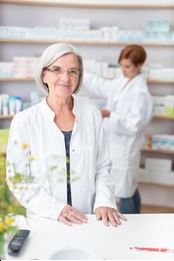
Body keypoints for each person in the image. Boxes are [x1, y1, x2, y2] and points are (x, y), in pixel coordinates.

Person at [6, 43, 126, 227]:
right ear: (44, 74)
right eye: (56, 70)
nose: (65, 78)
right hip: (45, 218)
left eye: (73, 71)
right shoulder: (24, 121)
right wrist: (56, 209)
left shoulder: (92, 114)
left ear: (79, 77)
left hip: (89, 218)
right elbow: (18, 178)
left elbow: (102, 166)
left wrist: (104, 201)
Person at [83, 44, 154, 214]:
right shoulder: (123, 82)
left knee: (125, 191)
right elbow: (101, 85)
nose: (123, 70)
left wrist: (109, 115)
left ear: (139, 66)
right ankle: (138, 218)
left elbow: (134, 125)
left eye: (128, 67)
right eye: (121, 65)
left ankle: (130, 226)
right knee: (128, 187)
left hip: (126, 148)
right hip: (115, 146)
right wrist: (79, 72)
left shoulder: (140, 92)